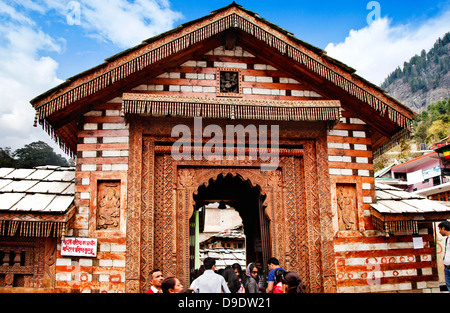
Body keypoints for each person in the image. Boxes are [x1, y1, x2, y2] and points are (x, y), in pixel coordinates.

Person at [438, 221, 450, 291]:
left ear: (443, 228)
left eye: (440, 229)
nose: (439, 232)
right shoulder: (447, 239)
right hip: (447, 268)